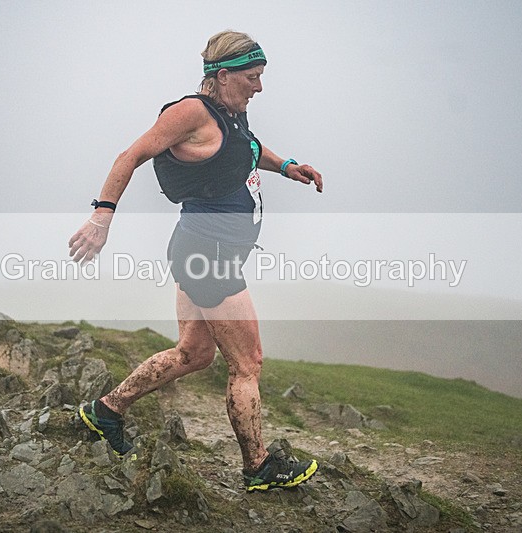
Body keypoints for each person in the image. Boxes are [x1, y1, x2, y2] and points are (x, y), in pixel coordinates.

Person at [68, 30, 323, 492]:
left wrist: (288, 167)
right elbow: (132, 154)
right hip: (211, 256)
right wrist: (101, 218)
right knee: (248, 363)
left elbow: (248, 149)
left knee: (194, 353)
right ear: (223, 75)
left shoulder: (231, 114)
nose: (259, 87)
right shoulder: (191, 112)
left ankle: (104, 411)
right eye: (253, 77)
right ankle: (258, 466)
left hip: (198, 249)